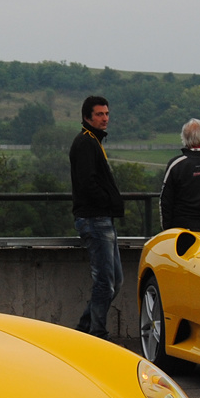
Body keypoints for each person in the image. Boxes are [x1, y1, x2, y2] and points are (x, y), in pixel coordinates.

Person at [68, 95, 124, 338]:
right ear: (86, 117)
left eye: (107, 114)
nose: (105, 119)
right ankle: (97, 334)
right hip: (95, 219)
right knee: (105, 282)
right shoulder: (85, 143)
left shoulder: (93, 142)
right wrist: (108, 201)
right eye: (100, 114)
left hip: (102, 219)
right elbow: (87, 182)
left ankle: (83, 329)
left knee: (115, 281)